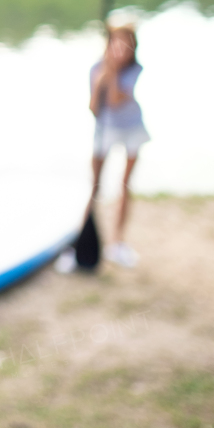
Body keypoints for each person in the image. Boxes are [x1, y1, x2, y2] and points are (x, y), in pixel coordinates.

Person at [87, 23, 148, 267]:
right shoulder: (95, 69)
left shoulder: (134, 71)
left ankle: (117, 243)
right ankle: (83, 239)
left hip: (132, 128)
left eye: (126, 44)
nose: (120, 49)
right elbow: (94, 108)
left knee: (125, 184)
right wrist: (100, 78)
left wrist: (110, 75)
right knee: (94, 185)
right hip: (105, 130)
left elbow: (115, 101)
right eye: (116, 43)